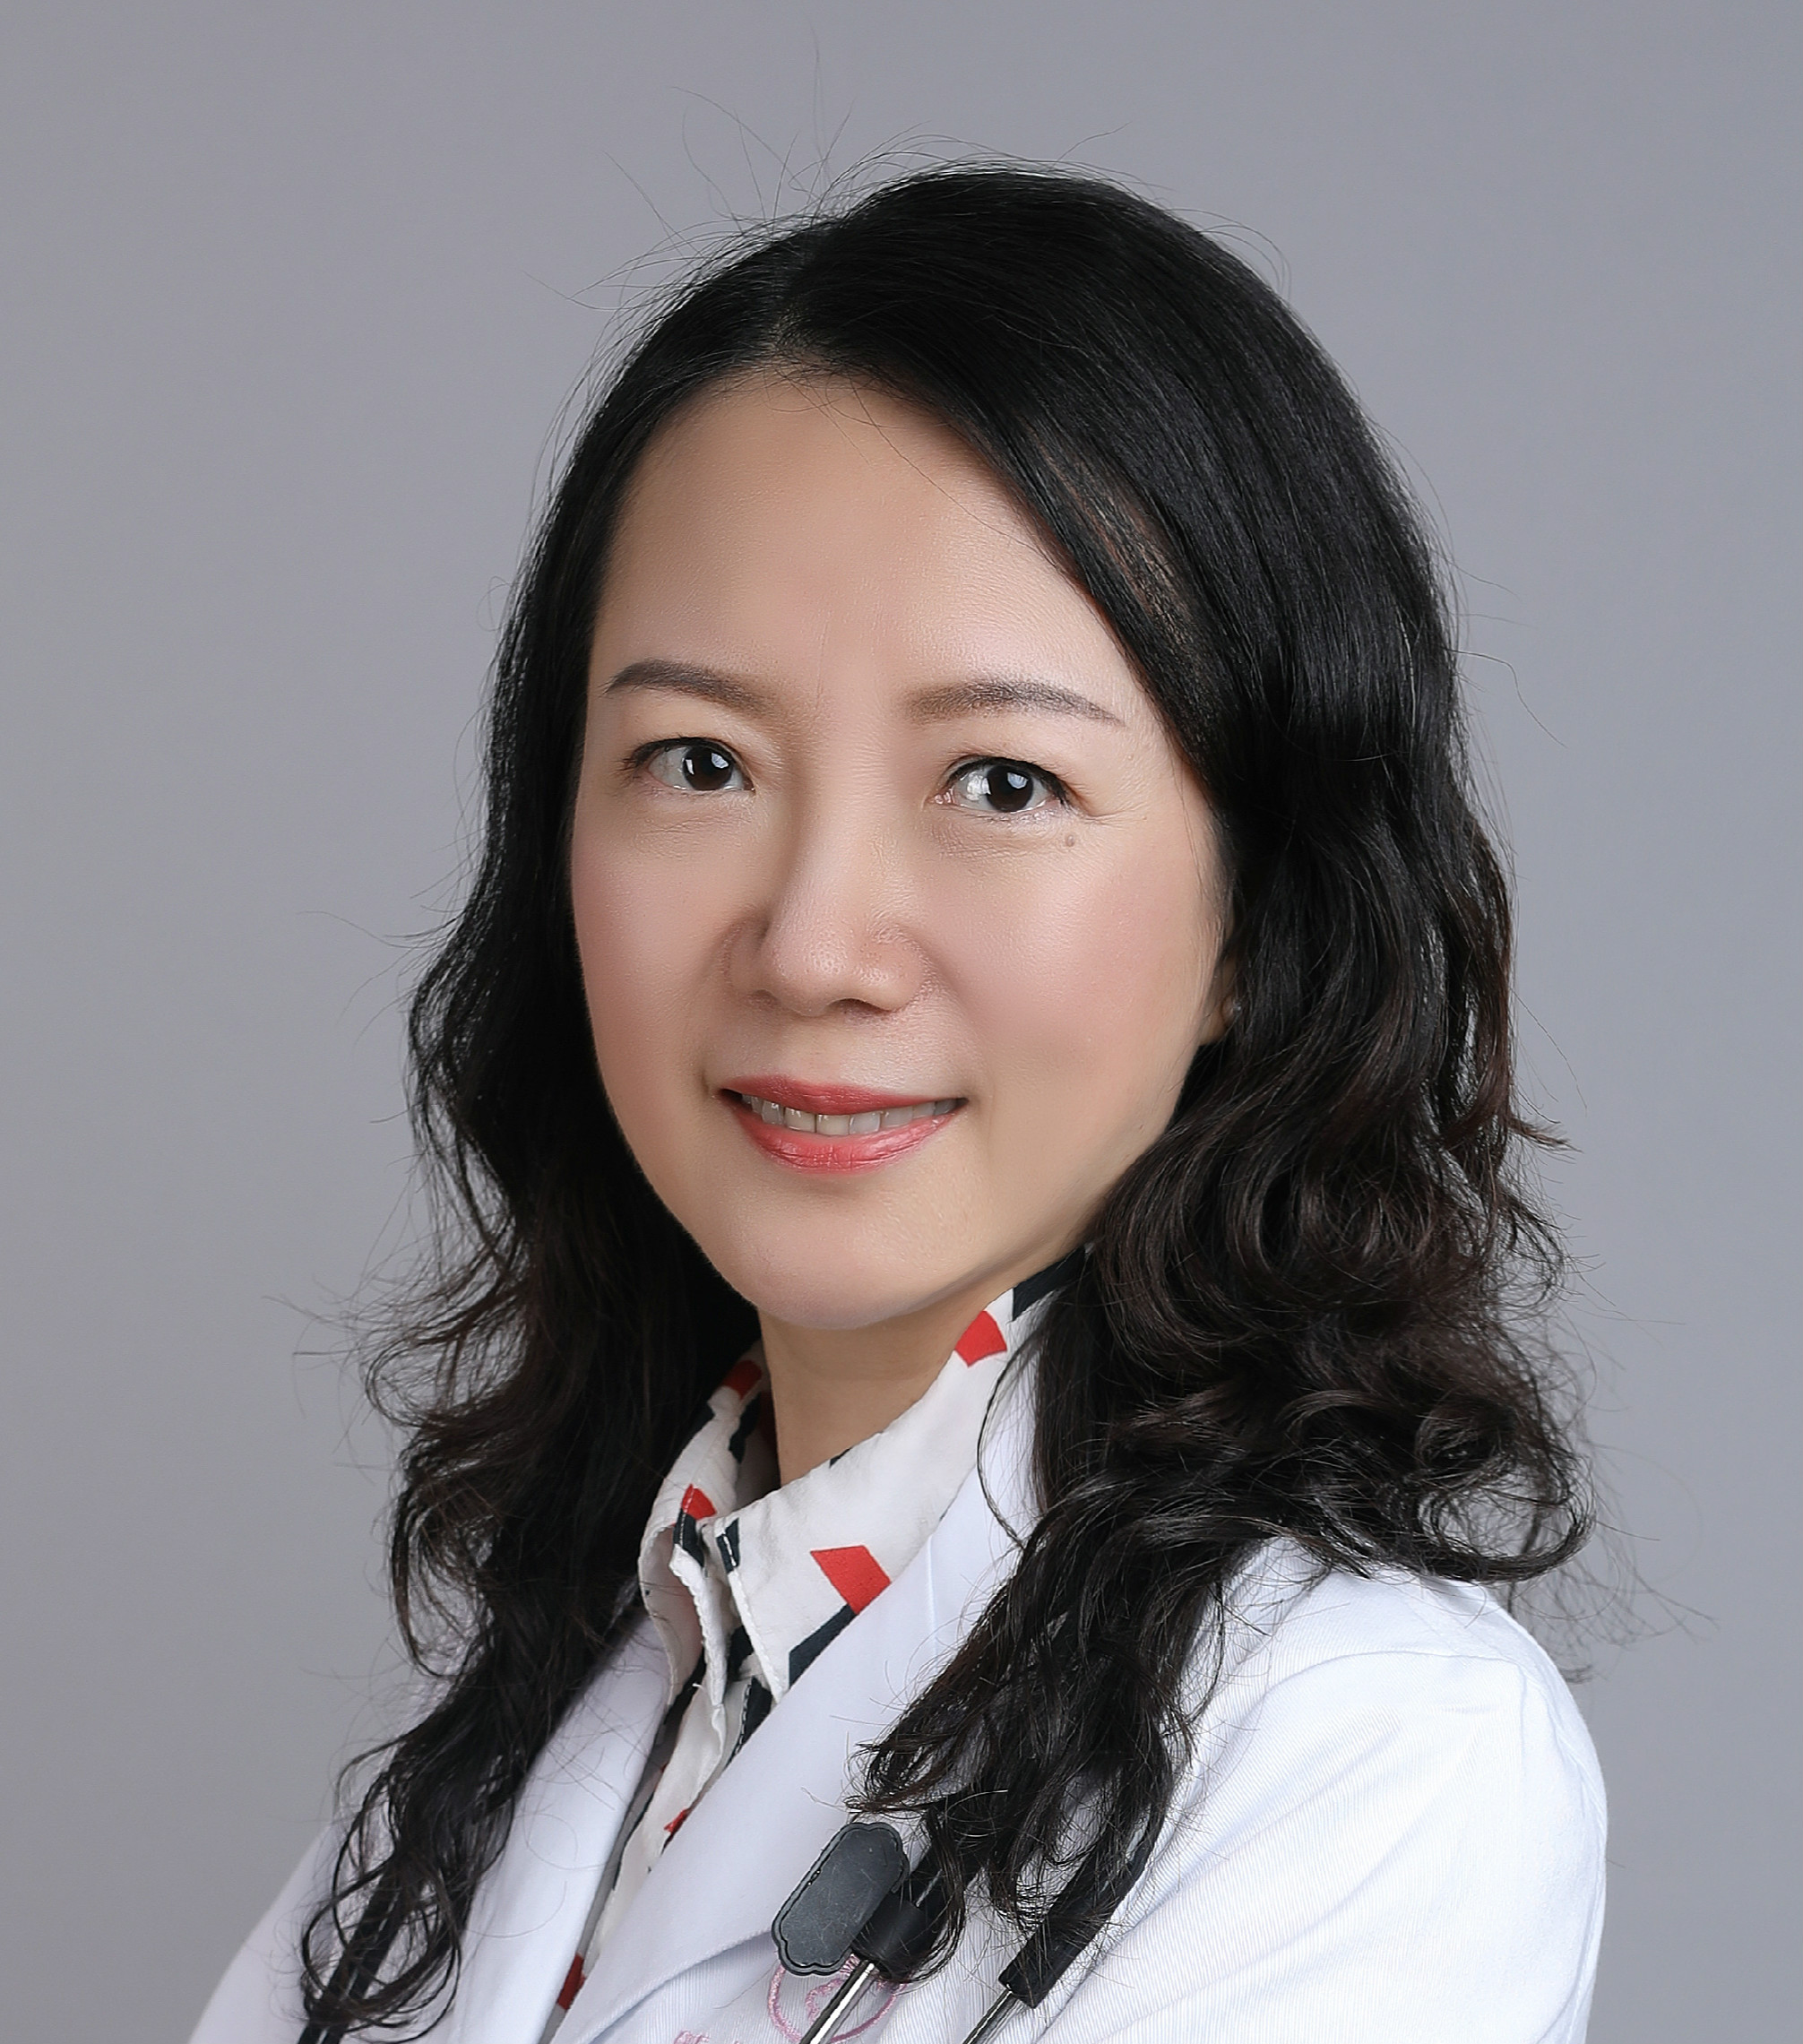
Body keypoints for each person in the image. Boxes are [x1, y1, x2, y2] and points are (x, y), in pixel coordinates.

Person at [191, 164, 1606, 2044]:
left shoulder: (1370, 1758)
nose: (811, 946)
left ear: (1258, 922)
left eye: (1002, 782)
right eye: (699, 761)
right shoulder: (578, 1702)